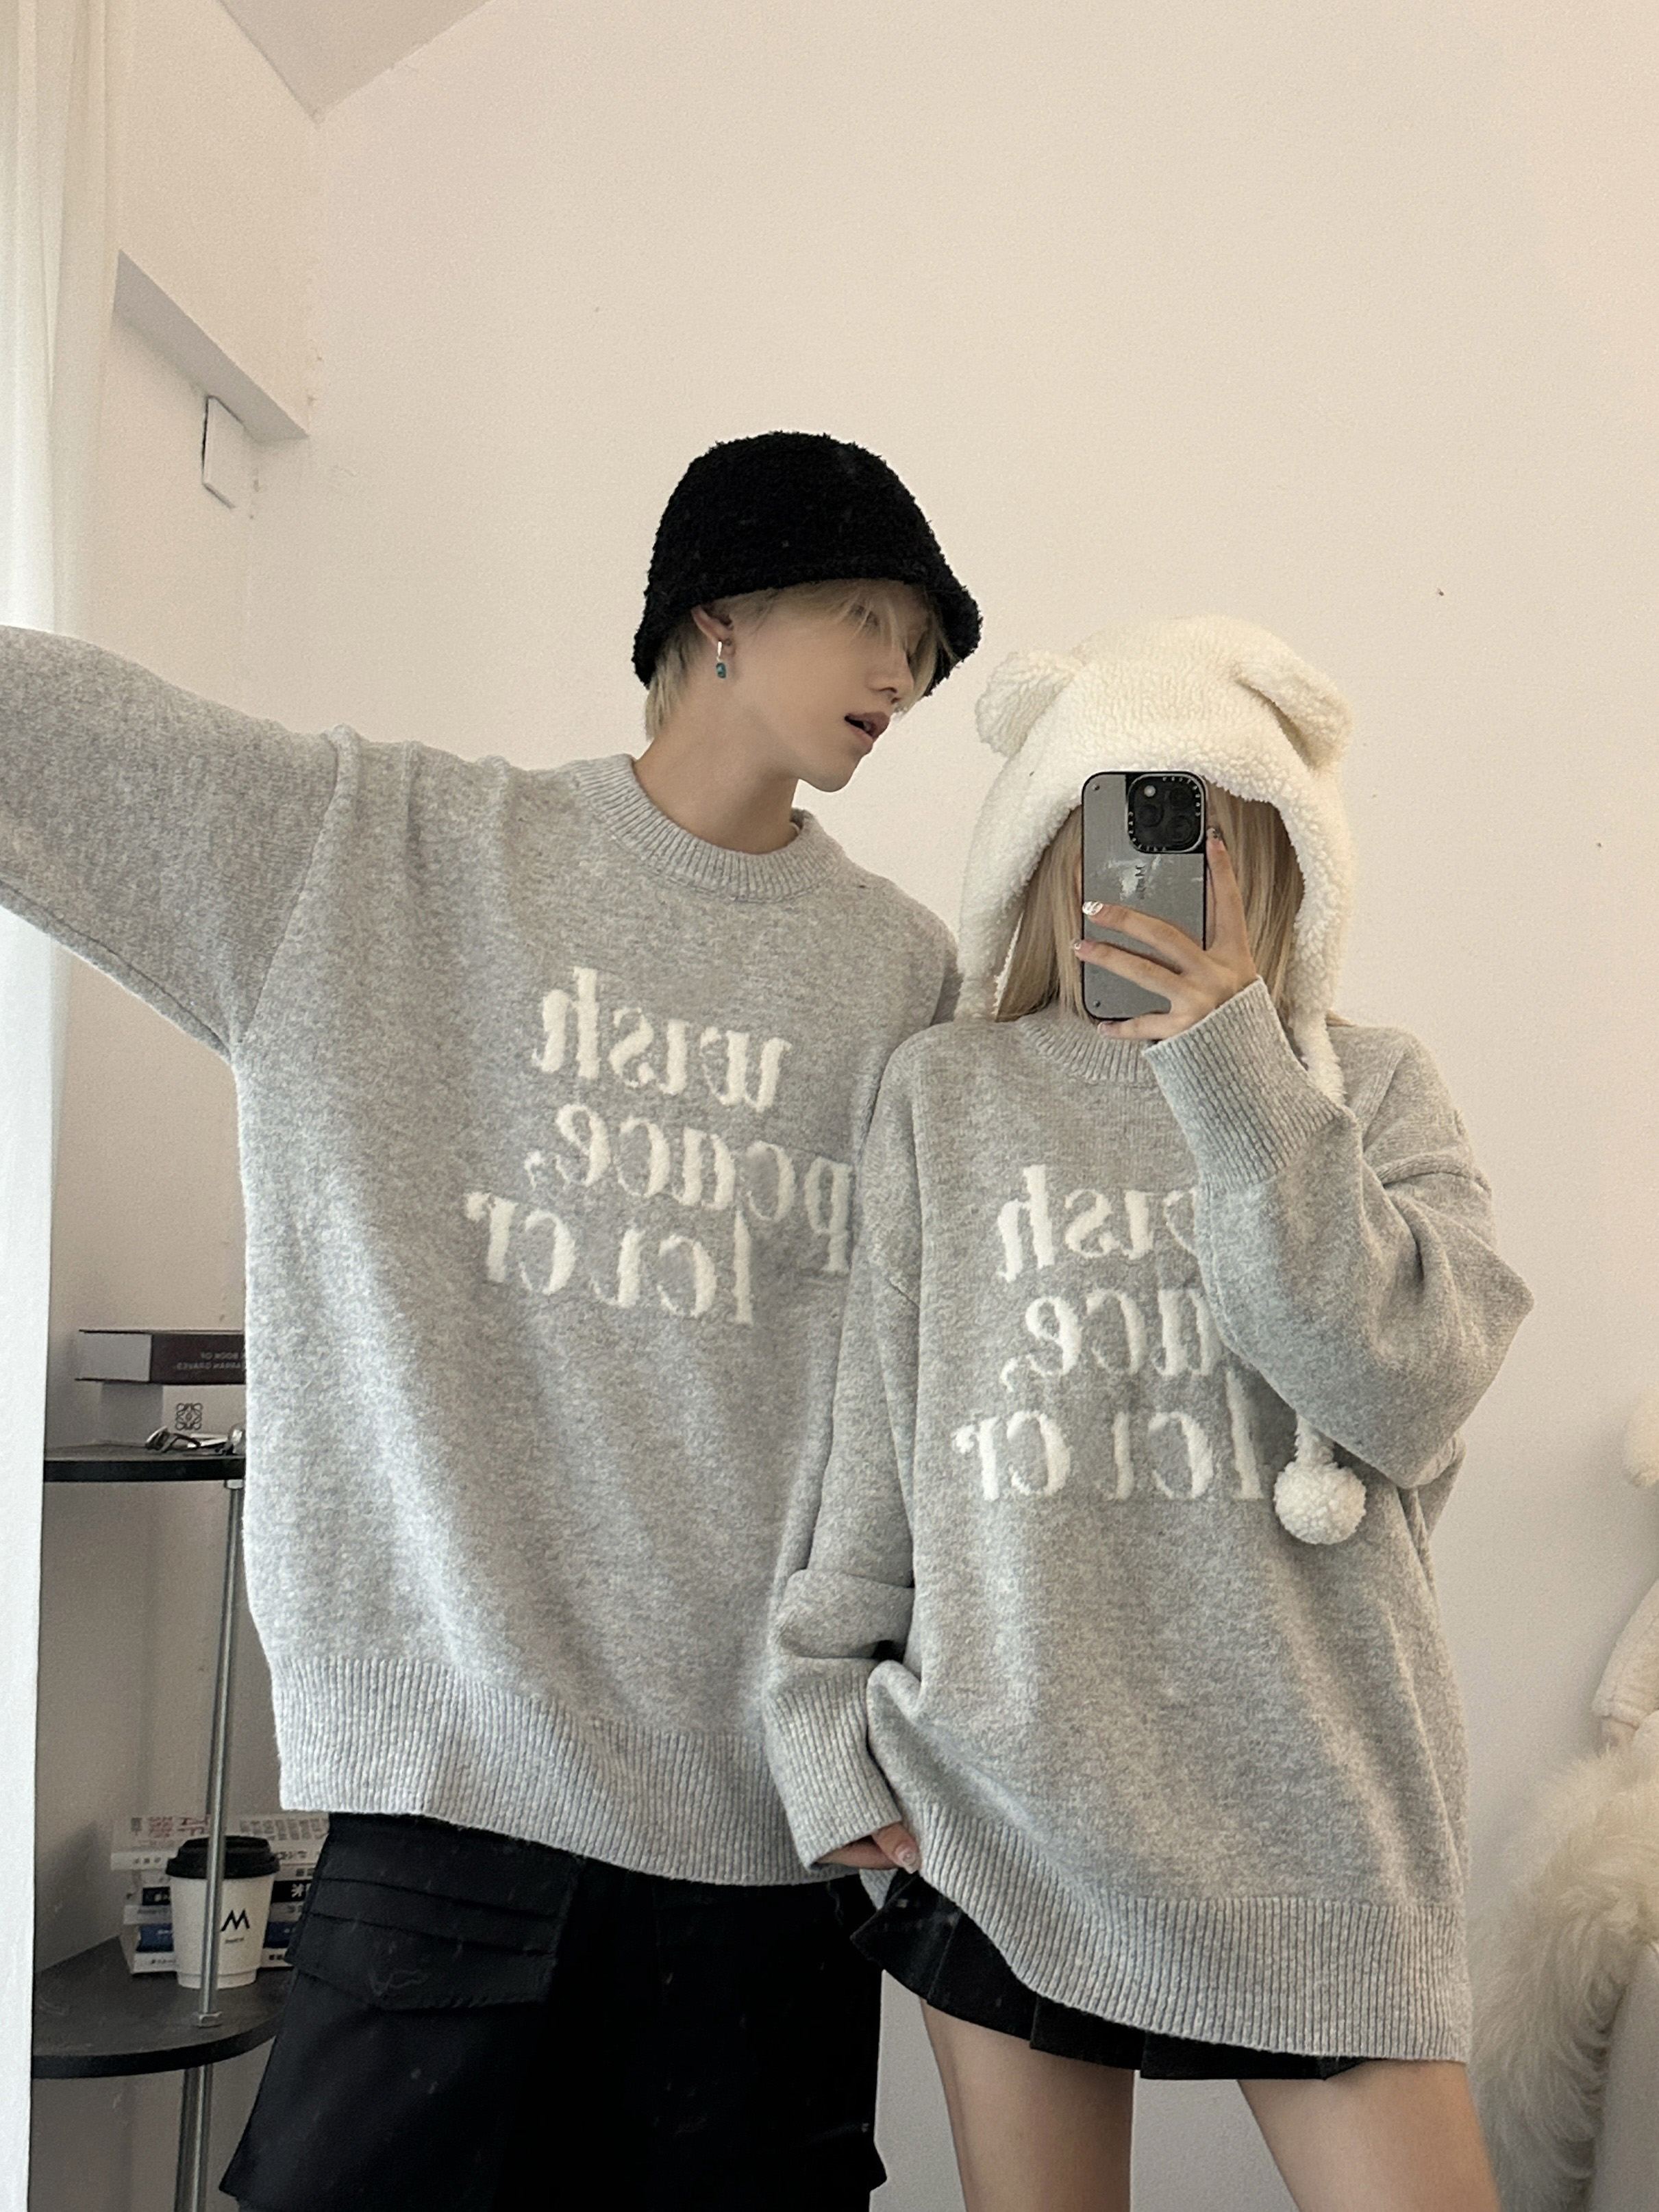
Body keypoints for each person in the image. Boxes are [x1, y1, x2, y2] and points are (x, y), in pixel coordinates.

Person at [0, 430, 980, 2211]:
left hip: (763, 1837)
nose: (901, 674)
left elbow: (919, 1377)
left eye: (921, 647)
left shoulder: (896, 967)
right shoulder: (383, 852)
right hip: (446, 1810)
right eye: (867, 618)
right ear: (718, 612)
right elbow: (43, 730)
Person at [764, 616, 1533, 2212]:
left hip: (1316, 1812)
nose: (1171, 870)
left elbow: (1403, 1384)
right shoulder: (947, 1093)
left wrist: (1234, 1071)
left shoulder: (1369, 1087)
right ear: (1052, 843)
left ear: (1279, 853)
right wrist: (820, 1714)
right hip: (1012, 1800)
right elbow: (877, 1438)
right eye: (1127, 819)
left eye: (1210, 829)